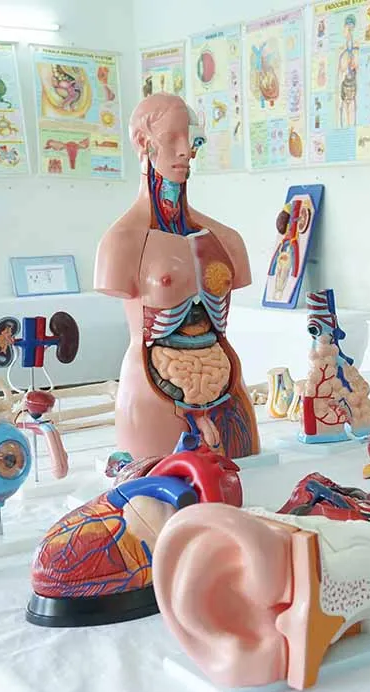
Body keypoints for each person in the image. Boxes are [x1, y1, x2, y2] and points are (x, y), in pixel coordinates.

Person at [94, 94, 259, 459]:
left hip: (227, 388)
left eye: (192, 139)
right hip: (152, 391)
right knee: (161, 487)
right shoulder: (121, 242)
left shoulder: (226, 240)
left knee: (249, 483)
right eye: (172, 138)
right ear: (143, 142)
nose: (186, 151)